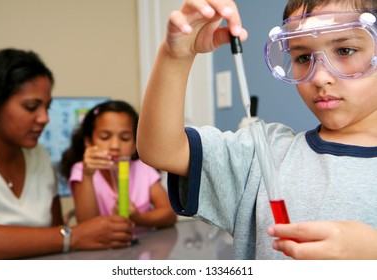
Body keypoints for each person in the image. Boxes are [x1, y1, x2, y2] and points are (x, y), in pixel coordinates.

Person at [136, 0, 377, 260]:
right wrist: (176, 56)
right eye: (303, 57)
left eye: (345, 50)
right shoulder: (264, 154)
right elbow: (160, 150)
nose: (319, 77)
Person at [0, 48, 133, 259]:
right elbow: (64, 235)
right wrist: (73, 236)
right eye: (31, 107)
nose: (44, 118)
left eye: (47, 107)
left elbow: (56, 230)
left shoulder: (40, 157)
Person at [59, 100, 176, 233]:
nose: (115, 146)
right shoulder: (82, 170)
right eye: (104, 137)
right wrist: (87, 175)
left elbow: (169, 215)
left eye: (125, 138)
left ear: (135, 144)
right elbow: (86, 223)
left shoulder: (144, 169)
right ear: (89, 142)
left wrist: (139, 218)